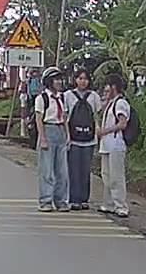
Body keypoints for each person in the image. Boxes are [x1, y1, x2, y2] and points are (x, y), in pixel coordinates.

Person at [64, 68, 102, 210]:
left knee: (86, 170)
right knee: (73, 170)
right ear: (75, 80)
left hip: (89, 139)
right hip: (73, 139)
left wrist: (97, 131)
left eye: (85, 79)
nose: (83, 81)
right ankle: (74, 199)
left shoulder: (94, 96)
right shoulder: (68, 96)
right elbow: (65, 117)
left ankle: (84, 199)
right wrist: (67, 136)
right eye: (80, 78)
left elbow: (96, 116)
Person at [33, 66, 70, 212]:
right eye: (56, 80)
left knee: (62, 170)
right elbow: (39, 119)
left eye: (60, 79)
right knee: (47, 170)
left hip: (60, 131)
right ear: (49, 81)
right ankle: (45, 200)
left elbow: (64, 117)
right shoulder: (42, 98)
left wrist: (67, 135)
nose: (59, 82)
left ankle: (61, 200)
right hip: (48, 130)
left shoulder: (62, 97)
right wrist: (42, 138)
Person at [98, 73, 131, 218]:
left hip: (116, 144)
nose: (105, 89)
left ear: (114, 87)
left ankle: (121, 206)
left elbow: (122, 124)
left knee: (116, 177)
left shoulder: (120, 103)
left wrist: (104, 131)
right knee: (106, 175)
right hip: (106, 144)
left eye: (108, 86)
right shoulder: (110, 103)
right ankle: (109, 203)